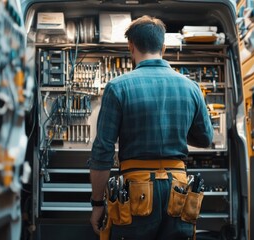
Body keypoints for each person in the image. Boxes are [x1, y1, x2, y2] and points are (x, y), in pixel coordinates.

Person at [88, 15, 213, 239]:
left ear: (131, 47)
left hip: (136, 193)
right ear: (163, 47)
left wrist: (97, 203)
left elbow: (103, 151)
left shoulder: (117, 87)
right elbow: (205, 138)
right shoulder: (192, 87)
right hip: (179, 190)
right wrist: (178, 130)